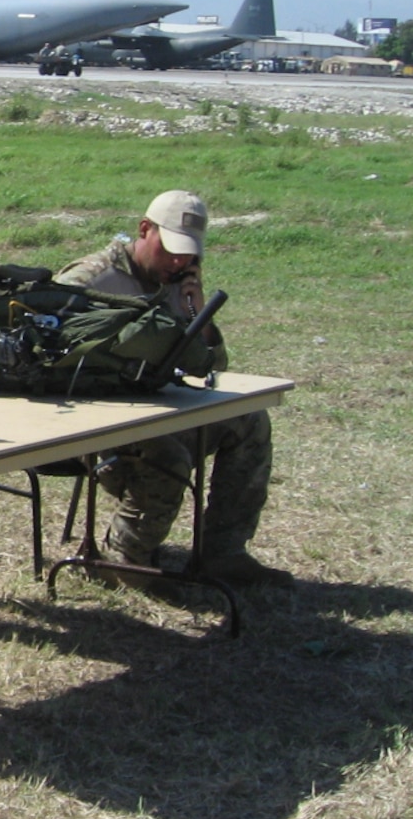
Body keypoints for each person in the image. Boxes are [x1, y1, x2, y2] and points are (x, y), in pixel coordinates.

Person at [57, 190, 288, 587]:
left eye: (189, 255)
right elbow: (42, 350)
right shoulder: (90, 279)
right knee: (169, 455)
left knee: (248, 420)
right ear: (144, 230)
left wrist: (196, 313)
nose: (179, 263)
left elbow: (213, 368)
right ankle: (128, 557)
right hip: (92, 424)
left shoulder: (175, 282)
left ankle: (223, 552)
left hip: (154, 408)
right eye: (171, 251)